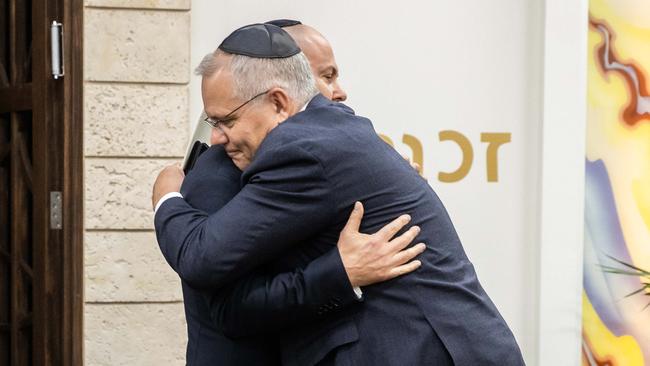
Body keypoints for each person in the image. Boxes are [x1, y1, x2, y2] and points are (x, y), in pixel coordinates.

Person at [154, 23, 524, 365]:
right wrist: (341, 272)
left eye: (227, 121)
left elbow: (200, 255)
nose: (216, 138)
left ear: (279, 102)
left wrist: (167, 197)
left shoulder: (301, 149)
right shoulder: (329, 133)